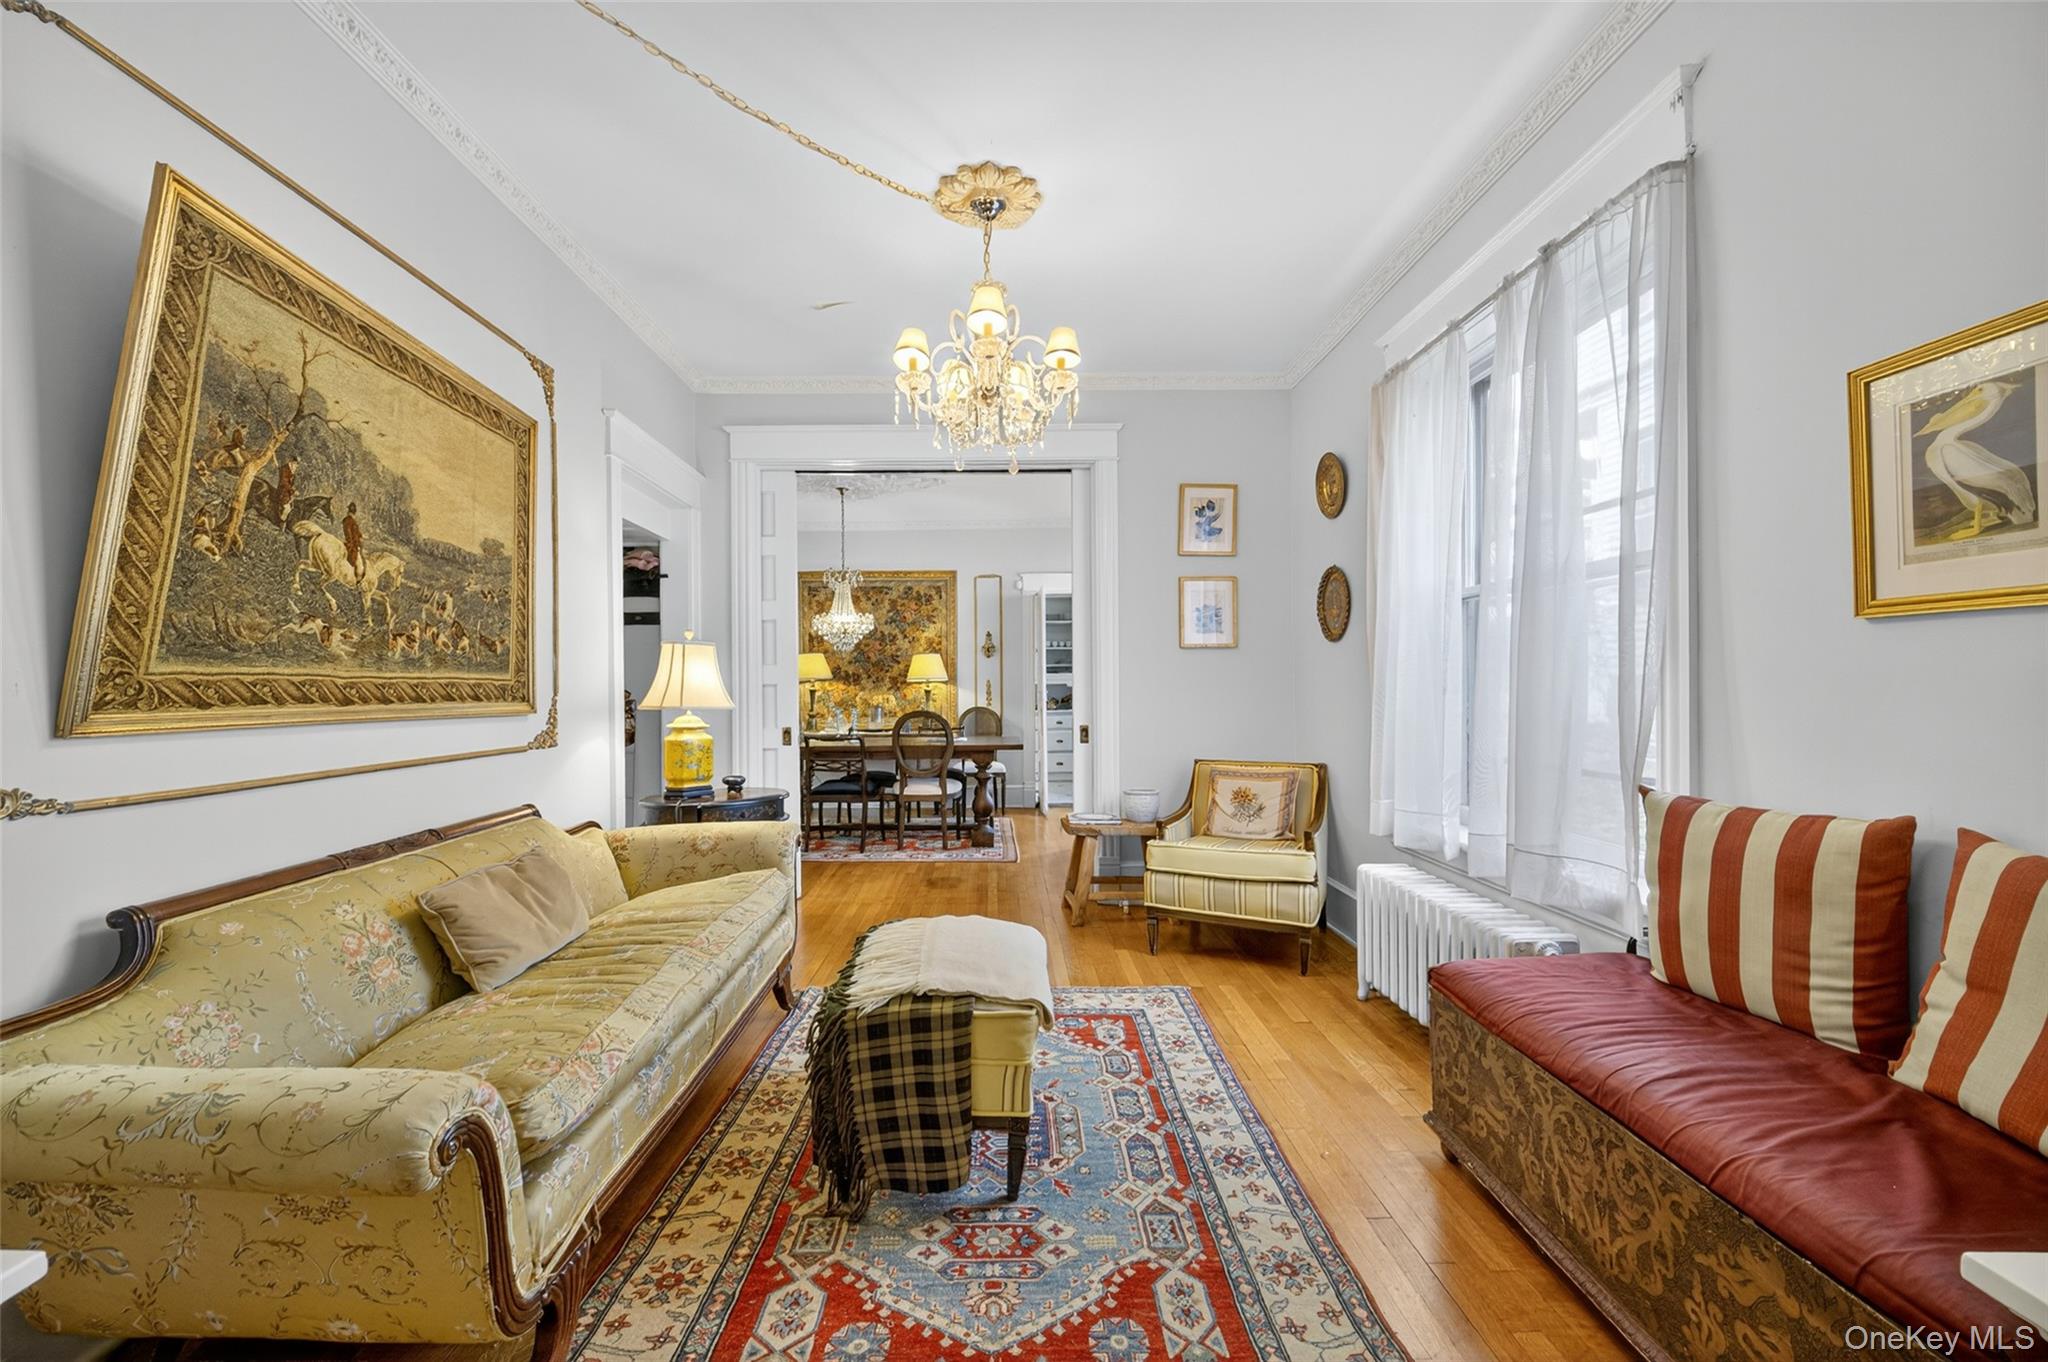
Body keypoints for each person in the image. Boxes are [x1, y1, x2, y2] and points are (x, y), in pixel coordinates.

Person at [342, 501, 365, 582]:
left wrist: (361, 536)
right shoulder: (348, 520)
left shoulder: (352, 520)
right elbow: (348, 534)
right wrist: (353, 545)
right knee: (356, 563)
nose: (352, 513)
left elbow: (356, 532)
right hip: (352, 545)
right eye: (352, 511)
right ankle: (353, 579)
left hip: (355, 544)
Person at [274, 455, 297, 527]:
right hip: (282, 491)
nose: (296, 466)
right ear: (291, 463)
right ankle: (280, 522)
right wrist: (293, 490)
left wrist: (293, 491)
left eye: (296, 464)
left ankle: (284, 522)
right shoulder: (284, 469)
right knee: (287, 508)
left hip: (287, 491)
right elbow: (283, 482)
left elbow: (291, 484)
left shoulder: (292, 471)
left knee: (292, 506)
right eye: (295, 464)